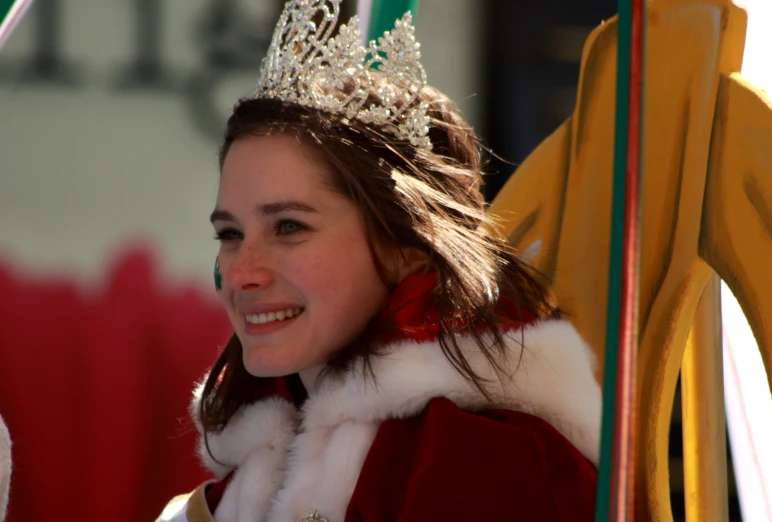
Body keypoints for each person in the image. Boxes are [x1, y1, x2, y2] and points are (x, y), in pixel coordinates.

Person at [157, 1, 601, 520]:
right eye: (230, 234)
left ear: (406, 249)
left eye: (289, 227)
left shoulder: (490, 468)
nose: (242, 272)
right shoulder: (235, 491)